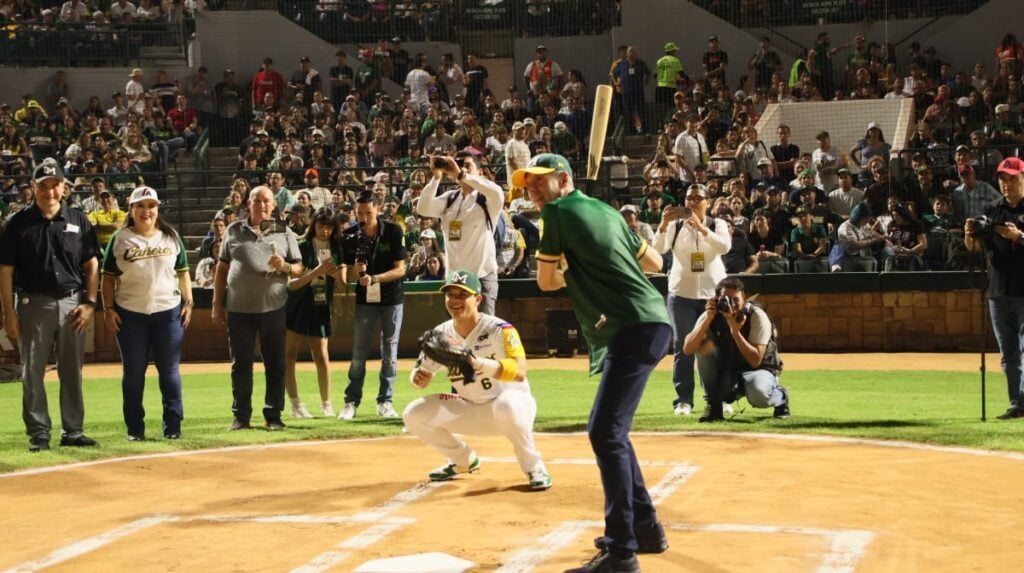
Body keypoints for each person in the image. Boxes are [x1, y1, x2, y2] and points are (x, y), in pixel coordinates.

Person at [515, 154, 671, 572]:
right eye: (528, 183)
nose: (532, 189)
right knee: (613, 431)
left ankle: (622, 551)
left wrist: (572, 264)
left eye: (539, 181)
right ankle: (647, 529)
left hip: (631, 326)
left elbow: (546, 283)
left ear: (563, 180)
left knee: (604, 431)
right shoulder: (605, 210)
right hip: (650, 320)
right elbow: (654, 263)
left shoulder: (558, 214)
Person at [404, 269, 552, 490]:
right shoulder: (441, 333)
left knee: (506, 404)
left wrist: (476, 362)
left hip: (513, 407)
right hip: (471, 409)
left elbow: (520, 370)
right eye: (450, 295)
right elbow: (420, 374)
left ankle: (534, 467)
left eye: (462, 295)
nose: (455, 301)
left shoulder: (499, 329)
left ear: (478, 299)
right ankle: (462, 459)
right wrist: (418, 378)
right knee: (413, 414)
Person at [0, 159, 100, 452]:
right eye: (42, 186)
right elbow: (5, 271)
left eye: (54, 185)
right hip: (33, 304)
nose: (49, 191)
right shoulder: (17, 223)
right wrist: (8, 314)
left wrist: (90, 303)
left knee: (72, 370)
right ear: (33, 188)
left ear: (64, 188)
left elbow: (92, 264)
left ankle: (73, 431)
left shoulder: (79, 220)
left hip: (73, 305)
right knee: (32, 372)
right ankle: (39, 434)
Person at [100, 187, 192, 441]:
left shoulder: (170, 237)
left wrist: (189, 302)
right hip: (130, 314)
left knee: (170, 371)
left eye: (151, 206)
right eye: (140, 206)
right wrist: (107, 308)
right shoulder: (120, 239)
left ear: (157, 209)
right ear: (130, 209)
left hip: (168, 313)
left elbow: (183, 271)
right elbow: (107, 279)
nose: (146, 211)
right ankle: (134, 429)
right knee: (133, 372)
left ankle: (173, 426)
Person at [212, 185, 303, 431]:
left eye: (266, 201)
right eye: (257, 201)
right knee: (241, 364)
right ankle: (241, 416)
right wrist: (216, 304)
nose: (262, 206)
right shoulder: (233, 230)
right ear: (248, 203)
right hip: (239, 309)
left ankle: (273, 415)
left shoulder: (283, 232)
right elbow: (222, 268)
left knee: (275, 363)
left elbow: (299, 268)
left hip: (273, 308)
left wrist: (284, 266)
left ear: (274, 205)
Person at [653, 184, 731, 417]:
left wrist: (702, 229)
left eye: (699, 198)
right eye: (689, 198)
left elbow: (725, 247)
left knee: (716, 346)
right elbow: (658, 248)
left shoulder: (717, 224)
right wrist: (664, 223)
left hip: (712, 295)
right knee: (683, 348)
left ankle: (721, 398)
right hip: (682, 294)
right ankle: (684, 400)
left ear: (708, 201)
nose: (693, 202)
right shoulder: (676, 226)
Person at [682, 276, 790, 422]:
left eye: (735, 300)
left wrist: (735, 332)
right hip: (729, 369)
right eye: (725, 300)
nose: (731, 304)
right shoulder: (712, 314)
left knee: (758, 394)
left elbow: (755, 361)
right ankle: (713, 404)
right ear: (717, 299)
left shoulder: (756, 315)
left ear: (744, 298)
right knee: (704, 347)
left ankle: (780, 397)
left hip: (758, 370)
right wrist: (708, 319)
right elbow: (688, 349)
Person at [339, 192, 407, 421]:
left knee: (390, 352)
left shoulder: (394, 231)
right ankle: (351, 402)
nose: (364, 218)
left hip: (392, 300)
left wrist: (375, 278)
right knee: (358, 352)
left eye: (369, 213)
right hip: (364, 301)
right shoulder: (349, 235)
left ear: (378, 210)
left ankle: (385, 402)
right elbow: (345, 276)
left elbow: (401, 269)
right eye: (360, 213)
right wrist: (355, 273)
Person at [966, 157, 1024, 419]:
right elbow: (977, 248)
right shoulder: (992, 210)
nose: (1007, 184)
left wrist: (1019, 236)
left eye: (1012, 178)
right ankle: (1017, 404)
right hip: (998, 291)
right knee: (1008, 353)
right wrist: (970, 236)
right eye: (1003, 178)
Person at [417, 152, 504, 315]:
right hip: (454, 280)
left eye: (467, 165)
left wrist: (460, 174)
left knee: (483, 332)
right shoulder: (450, 198)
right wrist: (436, 177)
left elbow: (497, 192)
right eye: (458, 164)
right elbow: (423, 208)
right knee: (456, 333)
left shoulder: (486, 199)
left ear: (480, 173)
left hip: (481, 277)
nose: (461, 168)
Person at [284, 207, 347, 419]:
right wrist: (317, 272)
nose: (325, 231)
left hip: (321, 305)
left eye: (329, 227)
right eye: (321, 226)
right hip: (297, 304)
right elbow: (292, 284)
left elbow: (343, 282)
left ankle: (326, 403)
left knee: (321, 356)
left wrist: (339, 272)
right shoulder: (302, 246)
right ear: (314, 226)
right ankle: (295, 404)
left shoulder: (337, 247)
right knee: (289, 355)